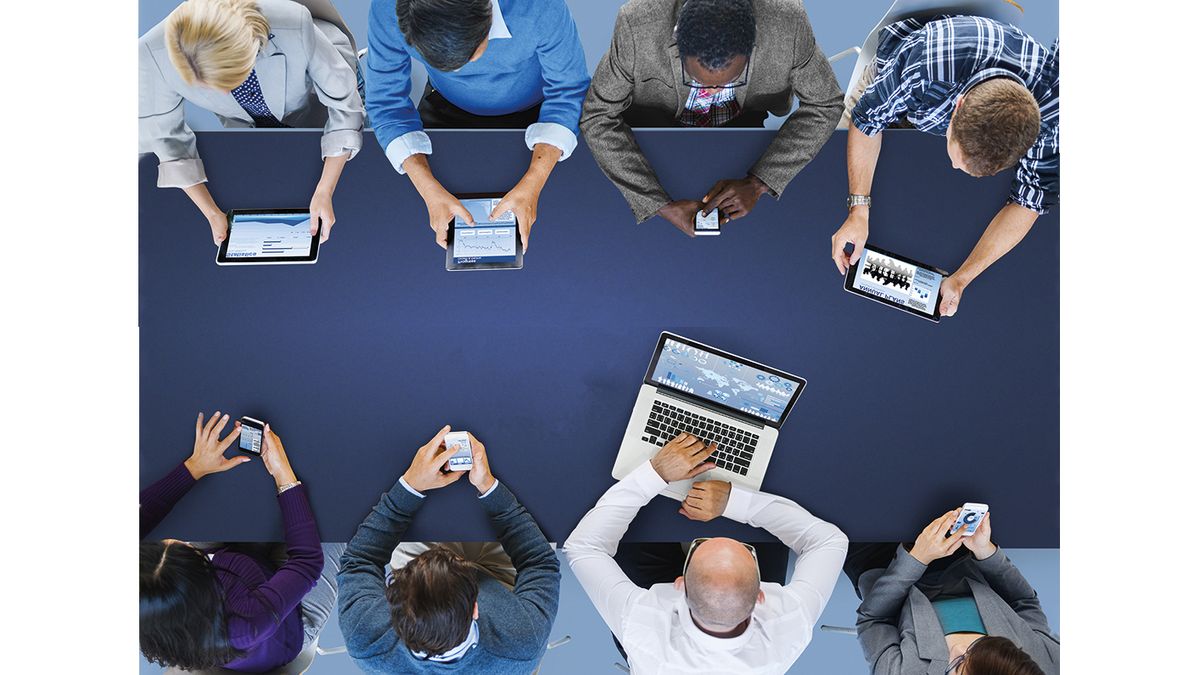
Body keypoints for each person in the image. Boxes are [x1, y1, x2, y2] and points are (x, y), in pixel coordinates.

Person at [830, 15, 1060, 317]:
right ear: (960, 105)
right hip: (896, 78)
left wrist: (962, 280)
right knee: (828, 158)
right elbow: (867, 121)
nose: (952, 166)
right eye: (956, 152)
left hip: (945, 96)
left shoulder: (1053, 122)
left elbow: (1028, 203)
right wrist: (858, 210)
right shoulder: (929, 62)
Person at [563, 432, 848, 673]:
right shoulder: (788, 625)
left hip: (656, 637)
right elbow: (828, 541)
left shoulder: (641, 625)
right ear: (761, 595)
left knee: (634, 537)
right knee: (765, 535)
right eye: (742, 550)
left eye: (699, 546)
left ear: (679, 584)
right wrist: (733, 503)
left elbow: (584, 547)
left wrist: (656, 473)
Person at [581, 0, 842, 236]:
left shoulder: (788, 22)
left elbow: (826, 104)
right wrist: (658, 205)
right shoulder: (637, 24)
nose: (711, 91)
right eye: (697, 79)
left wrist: (759, 182)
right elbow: (598, 114)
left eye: (730, 79)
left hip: (745, 122)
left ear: (751, 48)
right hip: (655, 127)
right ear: (678, 44)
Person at [364, 0, 590, 251]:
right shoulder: (386, 7)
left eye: (468, 56)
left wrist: (535, 180)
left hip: (539, 112)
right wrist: (427, 188)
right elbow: (386, 103)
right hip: (444, 106)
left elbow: (568, 91)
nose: (459, 72)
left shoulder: (540, 6)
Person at [139, 0, 365, 246]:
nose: (223, 93)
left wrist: (325, 190)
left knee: (355, 190)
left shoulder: (294, 23)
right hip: (247, 117)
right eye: (209, 86)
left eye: (233, 79)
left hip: (326, 74)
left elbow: (345, 109)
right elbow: (167, 140)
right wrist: (212, 213)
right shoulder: (150, 54)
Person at [337, 426, 560, 673]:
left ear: (392, 612)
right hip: (500, 583)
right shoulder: (522, 642)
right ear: (476, 608)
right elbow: (540, 564)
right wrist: (488, 487)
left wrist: (410, 485)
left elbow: (359, 560)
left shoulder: (368, 641)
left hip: (420, 566)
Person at [139, 411, 343, 673]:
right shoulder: (244, 625)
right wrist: (282, 473)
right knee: (336, 527)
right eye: (185, 550)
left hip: (235, 574)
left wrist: (194, 467)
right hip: (288, 621)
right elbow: (307, 562)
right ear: (199, 583)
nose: (184, 542)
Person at [845, 508, 1060, 675]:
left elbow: (873, 618)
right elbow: (1024, 602)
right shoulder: (1050, 664)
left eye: (958, 665)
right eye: (976, 647)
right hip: (961, 551)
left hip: (881, 565)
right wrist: (986, 552)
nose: (957, 650)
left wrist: (917, 558)